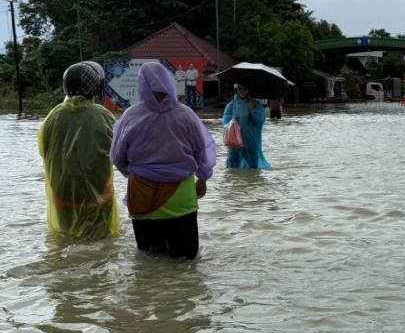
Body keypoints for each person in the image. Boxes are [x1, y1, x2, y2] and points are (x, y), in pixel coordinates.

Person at [111, 62, 216, 259]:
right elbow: (202, 152)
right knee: (186, 266)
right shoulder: (186, 114)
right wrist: (202, 178)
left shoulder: (131, 116)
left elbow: (117, 157)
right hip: (181, 199)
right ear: (169, 83)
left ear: (141, 86)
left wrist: (135, 174)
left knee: (149, 267)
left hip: (142, 197)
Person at [38, 61, 120, 240]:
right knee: (98, 247)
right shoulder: (103, 115)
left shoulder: (52, 115)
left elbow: (44, 150)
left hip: (61, 194)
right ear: (95, 88)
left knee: (65, 239)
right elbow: (119, 151)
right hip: (95, 196)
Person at [223, 84, 270, 169]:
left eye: (245, 89)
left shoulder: (255, 104)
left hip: (251, 140)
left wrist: (254, 110)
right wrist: (231, 122)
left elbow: (260, 121)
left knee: (253, 167)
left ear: (249, 90)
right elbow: (225, 123)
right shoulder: (231, 105)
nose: (243, 91)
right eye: (240, 89)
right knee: (232, 166)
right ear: (237, 90)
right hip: (235, 140)